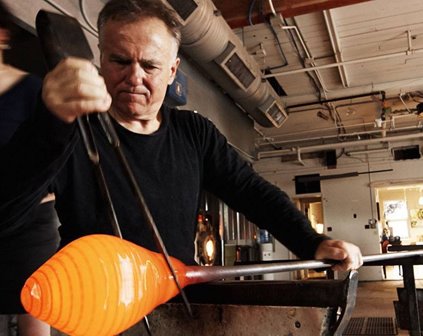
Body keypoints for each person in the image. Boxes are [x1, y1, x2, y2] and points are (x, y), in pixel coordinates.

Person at [0, 0, 361, 287]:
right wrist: (51, 119)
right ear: (101, 56)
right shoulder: (73, 130)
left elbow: (251, 191)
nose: (134, 77)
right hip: (96, 312)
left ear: (172, 71)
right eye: (120, 60)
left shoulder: (194, 133)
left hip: (176, 304)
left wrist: (310, 241)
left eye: (150, 66)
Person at [0, 2, 60, 336]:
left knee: (36, 309)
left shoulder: (33, 90)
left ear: (2, 36)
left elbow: (51, 155)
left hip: (30, 225)